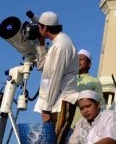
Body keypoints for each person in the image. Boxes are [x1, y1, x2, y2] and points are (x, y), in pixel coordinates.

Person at [33, 11, 79, 144]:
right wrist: (41, 44)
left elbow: (55, 77)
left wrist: (46, 108)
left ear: (45, 27)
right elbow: (42, 66)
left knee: (57, 141)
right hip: (54, 101)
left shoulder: (62, 45)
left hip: (62, 101)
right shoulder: (56, 44)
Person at [71, 49, 104, 129]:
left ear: (89, 64)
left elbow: (101, 104)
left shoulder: (94, 81)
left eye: (81, 59)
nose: (78, 62)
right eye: (76, 60)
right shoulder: (69, 79)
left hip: (84, 124)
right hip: (66, 123)